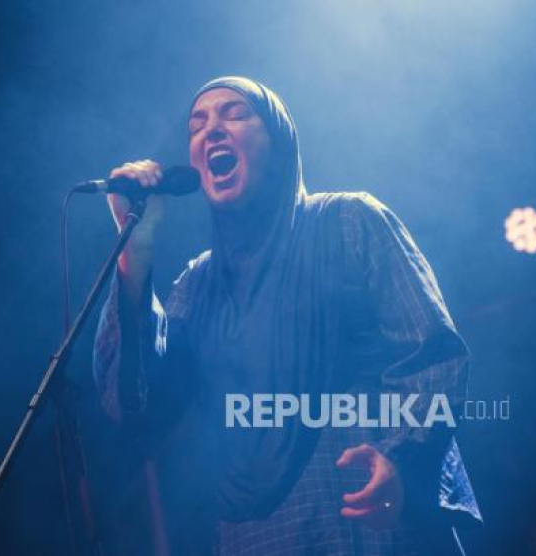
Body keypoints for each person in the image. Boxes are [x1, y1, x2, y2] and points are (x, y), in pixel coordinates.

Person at [93, 76, 481, 555]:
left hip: (365, 512)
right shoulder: (198, 285)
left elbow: (433, 356)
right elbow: (134, 401)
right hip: (258, 535)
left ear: (278, 142)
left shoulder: (348, 221)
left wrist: (404, 459)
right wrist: (137, 245)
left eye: (233, 114)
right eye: (197, 124)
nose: (211, 130)